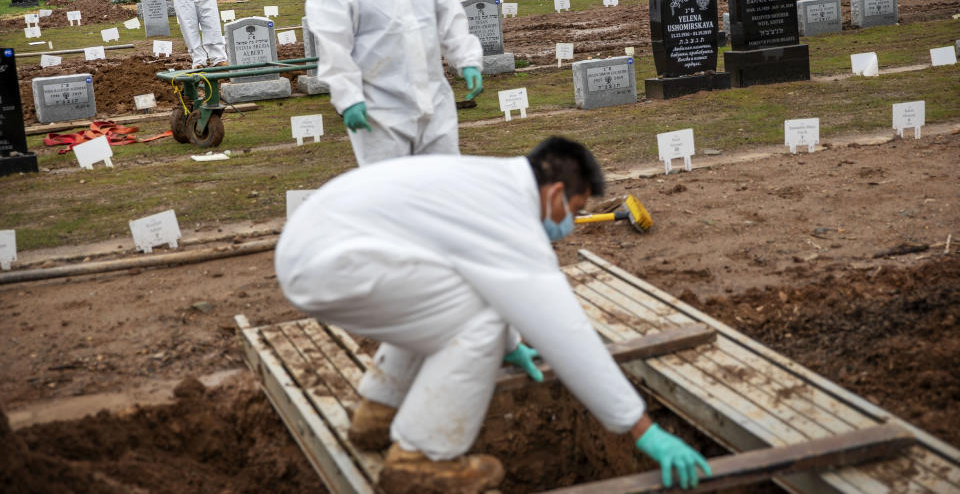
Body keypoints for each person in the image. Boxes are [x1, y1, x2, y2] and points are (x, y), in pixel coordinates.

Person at [275, 137, 712, 493]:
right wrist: (640, 428)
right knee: (476, 321)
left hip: (313, 251)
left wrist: (510, 346)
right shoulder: (508, 216)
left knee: (459, 304)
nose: (571, 223)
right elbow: (565, 331)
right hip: (333, 266)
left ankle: (378, 414)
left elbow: (459, 289)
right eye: (574, 211)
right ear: (556, 193)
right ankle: (421, 459)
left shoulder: (488, 182)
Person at [304, 0, 484, 166]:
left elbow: (451, 21)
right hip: (379, 111)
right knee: (391, 192)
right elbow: (335, 51)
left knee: (444, 186)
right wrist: (349, 98)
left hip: (435, 102)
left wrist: (467, 60)